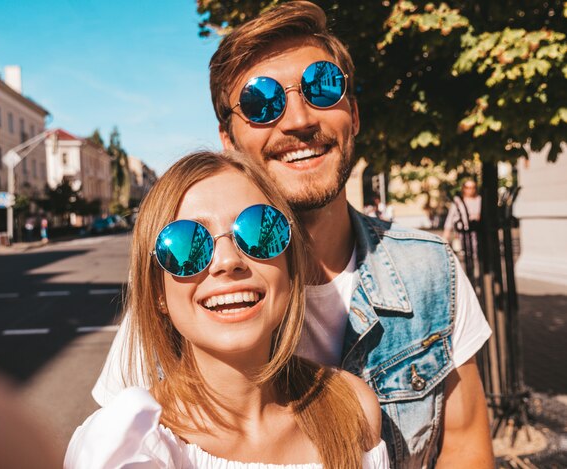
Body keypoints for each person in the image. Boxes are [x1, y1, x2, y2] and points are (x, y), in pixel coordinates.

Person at [94, 2, 494, 467]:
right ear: (228, 140)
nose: (299, 120)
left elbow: (465, 447)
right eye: (262, 103)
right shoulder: (178, 304)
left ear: (354, 114)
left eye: (323, 87)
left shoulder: (429, 270)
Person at [65, 151, 389, 468]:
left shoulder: (353, 409)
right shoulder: (129, 447)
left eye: (258, 231)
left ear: (290, 270)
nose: (227, 261)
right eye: (185, 244)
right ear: (158, 293)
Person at [442, 179, 482, 255]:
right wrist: (446, 235)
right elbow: (450, 218)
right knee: (467, 253)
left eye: (473, 187)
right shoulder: (458, 201)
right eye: (468, 187)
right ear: (463, 188)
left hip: (477, 232)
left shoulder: (479, 200)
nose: (470, 190)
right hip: (462, 232)